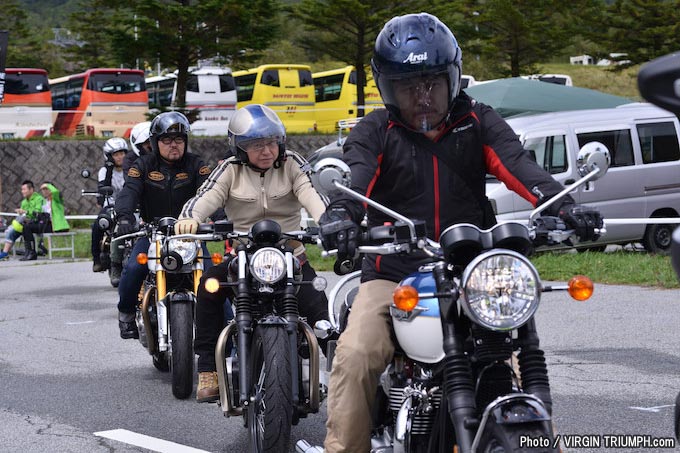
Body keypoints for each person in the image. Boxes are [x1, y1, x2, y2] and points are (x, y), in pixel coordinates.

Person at [317, 13, 603, 452]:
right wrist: (341, 213)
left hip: (471, 270)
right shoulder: (375, 130)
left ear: (453, 78)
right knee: (357, 353)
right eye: (408, 86)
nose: (422, 97)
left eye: (432, 82)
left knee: (515, 356)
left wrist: (564, 206)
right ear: (387, 87)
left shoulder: (478, 121)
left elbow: (520, 167)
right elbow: (356, 179)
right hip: (395, 271)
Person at [174, 104, 333, 403]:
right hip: (242, 257)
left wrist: (328, 222)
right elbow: (206, 197)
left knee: (317, 303)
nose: (266, 150)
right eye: (256, 144)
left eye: (271, 142)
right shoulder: (229, 170)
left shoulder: (293, 164)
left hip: (290, 254)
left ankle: (339, 371)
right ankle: (208, 369)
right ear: (239, 147)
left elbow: (313, 195)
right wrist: (191, 218)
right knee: (208, 286)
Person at [114, 111, 213, 339]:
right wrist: (125, 217)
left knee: (211, 279)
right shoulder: (143, 165)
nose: (173, 145)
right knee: (134, 269)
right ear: (155, 142)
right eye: (166, 140)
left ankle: (226, 332)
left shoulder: (197, 165)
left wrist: (219, 218)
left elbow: (210, 194)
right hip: (153, 233)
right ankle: (126, 314)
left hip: (191, 235)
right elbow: (129, 191)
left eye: (178, 140)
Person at [92, 137, 129, 281]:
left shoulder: (131, 169)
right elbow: (102, 188)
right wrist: (108, 168)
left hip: (129, 206)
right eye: (116, 154)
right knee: (98, 224)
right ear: (109, 156)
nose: (120, 157)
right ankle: (97, 259)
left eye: (122, 153)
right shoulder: (104, 171)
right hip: (111, 206)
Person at [19, 181, 70, 261]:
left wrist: (48, 185)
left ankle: (32, 253)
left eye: (46, 189)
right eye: (43, 189)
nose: (44, 191)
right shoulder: (45, 202)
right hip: (45, 224)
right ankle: (30, 251)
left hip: (55, 226)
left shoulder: (57, 200)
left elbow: (56, 192)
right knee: (26, 227)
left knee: (28, 227)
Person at [0, 180, 44, 260]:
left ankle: (29, 252)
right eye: (21, 189)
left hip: (37, 223)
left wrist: (25, 212)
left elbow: (39, 213)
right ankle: (5, 253)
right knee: (12, 231)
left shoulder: (39, 199)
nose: (22, 191)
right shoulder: (24, 202)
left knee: (22, 229)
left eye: (24, 189)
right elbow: (24, 215)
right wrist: (21, 214)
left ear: (31, 189)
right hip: (26, 223)